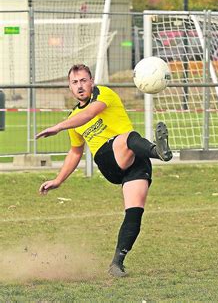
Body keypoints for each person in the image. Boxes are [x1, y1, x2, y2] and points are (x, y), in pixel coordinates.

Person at [36, 64, 173, 277]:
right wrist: (58, 180)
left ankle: (117, 263)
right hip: (108, 159)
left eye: (83, 80)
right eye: (75, 82)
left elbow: (91, 111)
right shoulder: (73, 117)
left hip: (136, 159)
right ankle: (159, 151)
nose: (80, 86)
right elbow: (75, 152)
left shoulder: (103, 94)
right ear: (69, 87)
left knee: (134, 211)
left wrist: (59, 126)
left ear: (91, 82)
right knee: (128, 138)